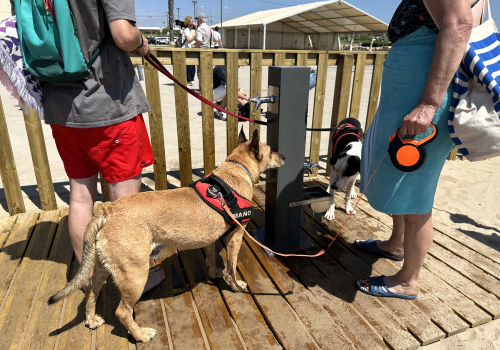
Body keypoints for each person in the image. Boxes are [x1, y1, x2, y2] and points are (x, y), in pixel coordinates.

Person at [356, 0, 486, 300]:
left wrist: (428, 103)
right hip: (412, 88)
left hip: (422, 93)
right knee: (401, 177)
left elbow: (458, 24)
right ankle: (397, 244)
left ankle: (407, 280)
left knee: (414, 189)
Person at [42, 0, 166, 292]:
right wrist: (141, 43)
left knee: (81, 197)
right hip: (107, 106)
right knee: (124, 207)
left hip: (61, 107)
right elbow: (124, 35)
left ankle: (86, 277)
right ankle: (131, 281)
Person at [194, 13, 215, 89]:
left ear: (199, 20)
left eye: (197, 20)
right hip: (210, 50)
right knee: (209, 70)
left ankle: (201, 88)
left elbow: (199, 41)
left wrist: (195, 48)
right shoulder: (210, 28)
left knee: (200, 71)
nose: (196, 21)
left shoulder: (200, 28)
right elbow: (215, 40)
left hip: (202, 50)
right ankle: (209, 86)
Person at [182, 16, 196, 87]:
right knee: (189, 65)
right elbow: (188, 40)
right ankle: (189, 80)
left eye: (192, 21)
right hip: (186, 50)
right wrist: (195, 36)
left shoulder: (188, 30)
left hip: (187, 49)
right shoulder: (187, 30)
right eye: (190, 21)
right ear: (187, 22)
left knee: (190, 65)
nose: (192, 23)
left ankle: (189, 80)